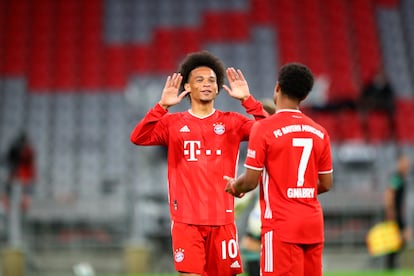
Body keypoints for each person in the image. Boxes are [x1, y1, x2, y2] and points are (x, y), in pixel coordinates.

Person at [130, 50, 268, 276]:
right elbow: (138, 137)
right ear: (187, 87)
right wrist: (162, 106)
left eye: (212, 80)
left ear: (218, 87)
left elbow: (270, 133)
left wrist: (248, 100)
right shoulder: (172, 123)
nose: (206, 84)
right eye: (200, 80)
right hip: (186, 221)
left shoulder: (232, 122)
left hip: (222, 220)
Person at [224, 63, 333, 276]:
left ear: (277, 88)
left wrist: (234, 186)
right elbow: (326, 184)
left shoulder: (263, 129)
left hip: (281, 225)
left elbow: (250, 181)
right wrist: (299, 189)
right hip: (313, 224)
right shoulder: (320, 132)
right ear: (304, 97)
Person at [237, 98, 275, 276]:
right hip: (283, 213)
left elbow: (249, 184)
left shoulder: (265, 148)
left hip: (271, 214)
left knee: (252, 244)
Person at [384, 152, 411, 270]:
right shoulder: (397, 178)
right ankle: (390, 265)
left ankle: (391, 264)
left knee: (401, 238)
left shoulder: (401, 178)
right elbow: (389, 193)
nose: (407, 166)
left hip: (399, 213)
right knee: (401, 238)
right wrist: (390, 210)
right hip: (395, 214)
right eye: (405, 163)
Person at [2, 131, 36, 212]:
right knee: (8, 186)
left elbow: (29, 161)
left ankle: (24, 204)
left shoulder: (28, 150)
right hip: (16, 171)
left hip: (24, 172)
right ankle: (6, 202)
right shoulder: (15, 148)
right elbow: (8, 159)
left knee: (26, 188)